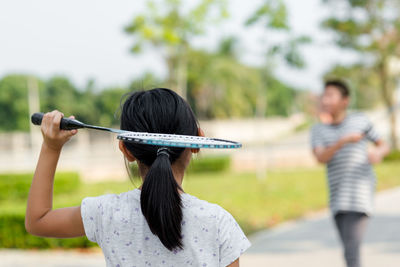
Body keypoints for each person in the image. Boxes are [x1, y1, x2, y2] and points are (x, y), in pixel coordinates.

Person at [25, 88, 251, 267]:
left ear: (125, 149)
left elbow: (38, 221)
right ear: (196, 143)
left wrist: (51, 148)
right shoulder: (219, 222)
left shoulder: (106, 213)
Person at [310, 80, 390, 267]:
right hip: (337, 197)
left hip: (359, 195)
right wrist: (342, 142)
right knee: (348, 250)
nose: (325, 100)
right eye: (324, 95)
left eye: (330, 95)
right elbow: (320, 157)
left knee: (351, 251)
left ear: (345, 101)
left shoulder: (360, 121)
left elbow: (383, 144)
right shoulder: (318, 130)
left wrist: (377, 153)